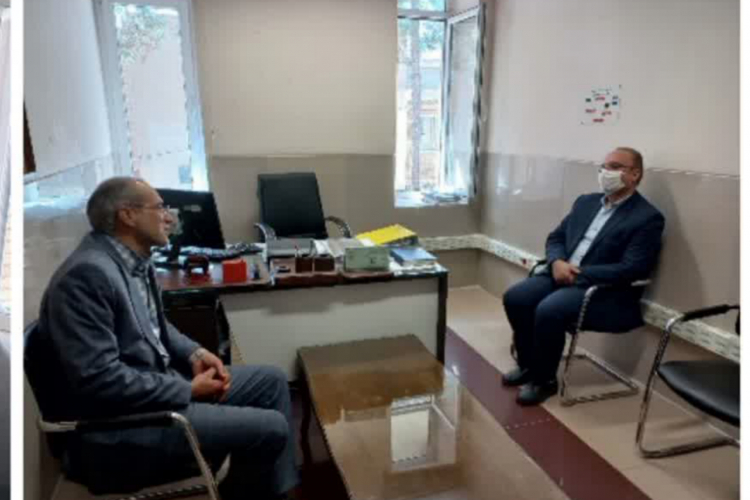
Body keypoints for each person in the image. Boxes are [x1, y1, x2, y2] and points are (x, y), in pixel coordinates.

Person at [30, 177, 299, 500]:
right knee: (270, 428)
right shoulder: (87, 276)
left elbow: (156, 327)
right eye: (159, 208)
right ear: (128, 215)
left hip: (156, 389)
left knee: (272, 381)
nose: (169, 217)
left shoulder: (134, 261)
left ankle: (278, 493)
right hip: (120, 426)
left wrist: (195, 352)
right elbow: (100, 380)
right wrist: (187, 390)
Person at [502, 147, 665, 406]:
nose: (606, 172)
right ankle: (529, 366)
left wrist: (578, 273)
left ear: (635, 174)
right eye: (604, 166)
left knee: (549, 310)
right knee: (516, 298)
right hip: (560, 273)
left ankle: (544, 380)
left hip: (603, 290)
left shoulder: (647, 218)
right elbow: (556, 238)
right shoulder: (586, 202)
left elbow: (633, 268)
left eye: (615, 167)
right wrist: (557, 262)